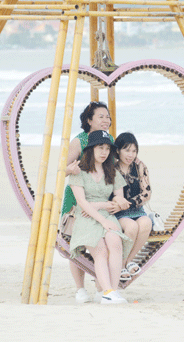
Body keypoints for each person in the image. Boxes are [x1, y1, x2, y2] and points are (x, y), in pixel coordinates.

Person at [68, 130, 133, 304]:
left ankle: (112, 292)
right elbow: (82, 203)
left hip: (107, 215)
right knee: (101, 251)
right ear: (91, 149)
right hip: (87, 217)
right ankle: (108, 291)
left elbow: (119, 197)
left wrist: (117, 202)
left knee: (115, 243)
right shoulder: (79, 172)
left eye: (107, 149)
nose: (104, 152)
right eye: (100, 148)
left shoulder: (112, 172)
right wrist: (103, 212)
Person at [62, 101, 115, 303]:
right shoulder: (80, 141)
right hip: (77, 198)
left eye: (107, 117)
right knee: (77, 243)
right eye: (101, 116)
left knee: (99, 241)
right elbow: (62, 168)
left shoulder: (109, 139)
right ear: (89, 120)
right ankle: (80, 289)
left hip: (101, 198)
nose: (106, 120)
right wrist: (71, 170)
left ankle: (100, 285)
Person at [113, 132, 153, 281]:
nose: (130, 155)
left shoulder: (140, 166)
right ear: (118, 150)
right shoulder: (112, 168)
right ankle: (122, 264)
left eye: (134, 151)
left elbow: (147, 193)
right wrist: (120, 204)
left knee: (146, 223)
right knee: (131, 227)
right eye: (126, 150)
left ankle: (127, 261)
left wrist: (129, 203)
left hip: (137, 209)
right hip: (118, 212)